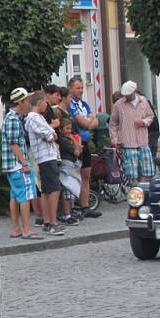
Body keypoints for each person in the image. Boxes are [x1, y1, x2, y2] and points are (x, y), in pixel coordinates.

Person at [1, 88, 42, 240]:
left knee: (15, 196)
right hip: (17, 165)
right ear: (20, 102)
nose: (28, 105)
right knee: (24, 195)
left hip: (12, 165)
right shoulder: (13, 119)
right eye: (26, 101)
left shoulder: (11, 117)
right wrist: (24, 163)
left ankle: (16, 229)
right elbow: (14, 144)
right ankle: (26, 229)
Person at [25, 92, 64, 236]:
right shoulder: (34, 118)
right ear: (39, 102)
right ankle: (52, 222)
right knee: (54, 189)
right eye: (45, 102)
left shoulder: (38, 118)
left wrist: (52, 132)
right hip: (45, 157)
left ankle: (48, 222)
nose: (47, 105)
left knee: (48, 190)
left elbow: (52, 134)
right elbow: (50, 136)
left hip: (47, 157)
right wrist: (52, 132)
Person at [110, 81, 155, 186]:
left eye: (129, 94)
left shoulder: (144, 101)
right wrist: (115, 139)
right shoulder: (118, 105)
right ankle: (134, 195)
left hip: (143, 142)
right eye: (125, 94)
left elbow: (151, 116)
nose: (127, 96)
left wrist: (144, 122)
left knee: (148, 172)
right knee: (131, 175)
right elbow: (113, 124)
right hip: (127, 144)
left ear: (134, 91)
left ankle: (145, 193)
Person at [68, 76, 101, 218]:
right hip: (75, 142)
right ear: (71, 88)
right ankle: (72, 207)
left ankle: (85, 206)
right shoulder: (71, 104)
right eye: (78, 88)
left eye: (82, 88)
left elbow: (96, 122)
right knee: (74, 175)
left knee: (86, 175)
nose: (81, 90)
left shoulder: (84, 104)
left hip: (86, 142)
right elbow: (85, 123)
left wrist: (90, 121)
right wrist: (90, 121)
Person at [57, 118, 82, 226]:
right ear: (61, 130)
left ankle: (69, 213)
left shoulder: (67, 140)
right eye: (66, 129)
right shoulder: (63, 141)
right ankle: (67, 214)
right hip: (66, 167)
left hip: (71, 166)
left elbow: (79, 150)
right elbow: (77, 152)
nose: (69, 131)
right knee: (68, 191)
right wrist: (74, 139)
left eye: (70, 128)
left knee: (70, 192)